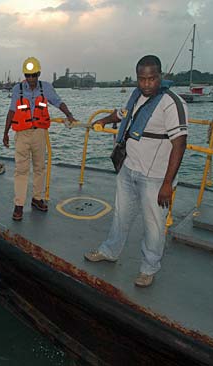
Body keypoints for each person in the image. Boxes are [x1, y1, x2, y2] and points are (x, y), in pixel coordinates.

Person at [84, 55, 188, 287]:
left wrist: (167, 184)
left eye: (152, 79)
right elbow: (121, 115)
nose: (147, 84)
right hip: (129, 168)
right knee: (121, 215)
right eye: (142, 79)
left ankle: (148, 268)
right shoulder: (136, 95)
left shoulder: (172, 103)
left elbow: (179, 145)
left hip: (156, 177)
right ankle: (110, 251)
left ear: (160, 76)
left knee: (154, 225)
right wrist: (102, 119)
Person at [3, 56, 76, 221]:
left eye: (34, 75)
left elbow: (58, 102)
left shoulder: (46, 88)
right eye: (28, 75)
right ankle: (19, 205)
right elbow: (12, 111)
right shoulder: (17, 89)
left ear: (39, 74)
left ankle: (37, 199)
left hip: (39, 133)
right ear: (24, 75)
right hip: (22, 134)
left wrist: (69, 115)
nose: (31, 79)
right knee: (21, 170)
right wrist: (6, 132)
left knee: (39, 167)